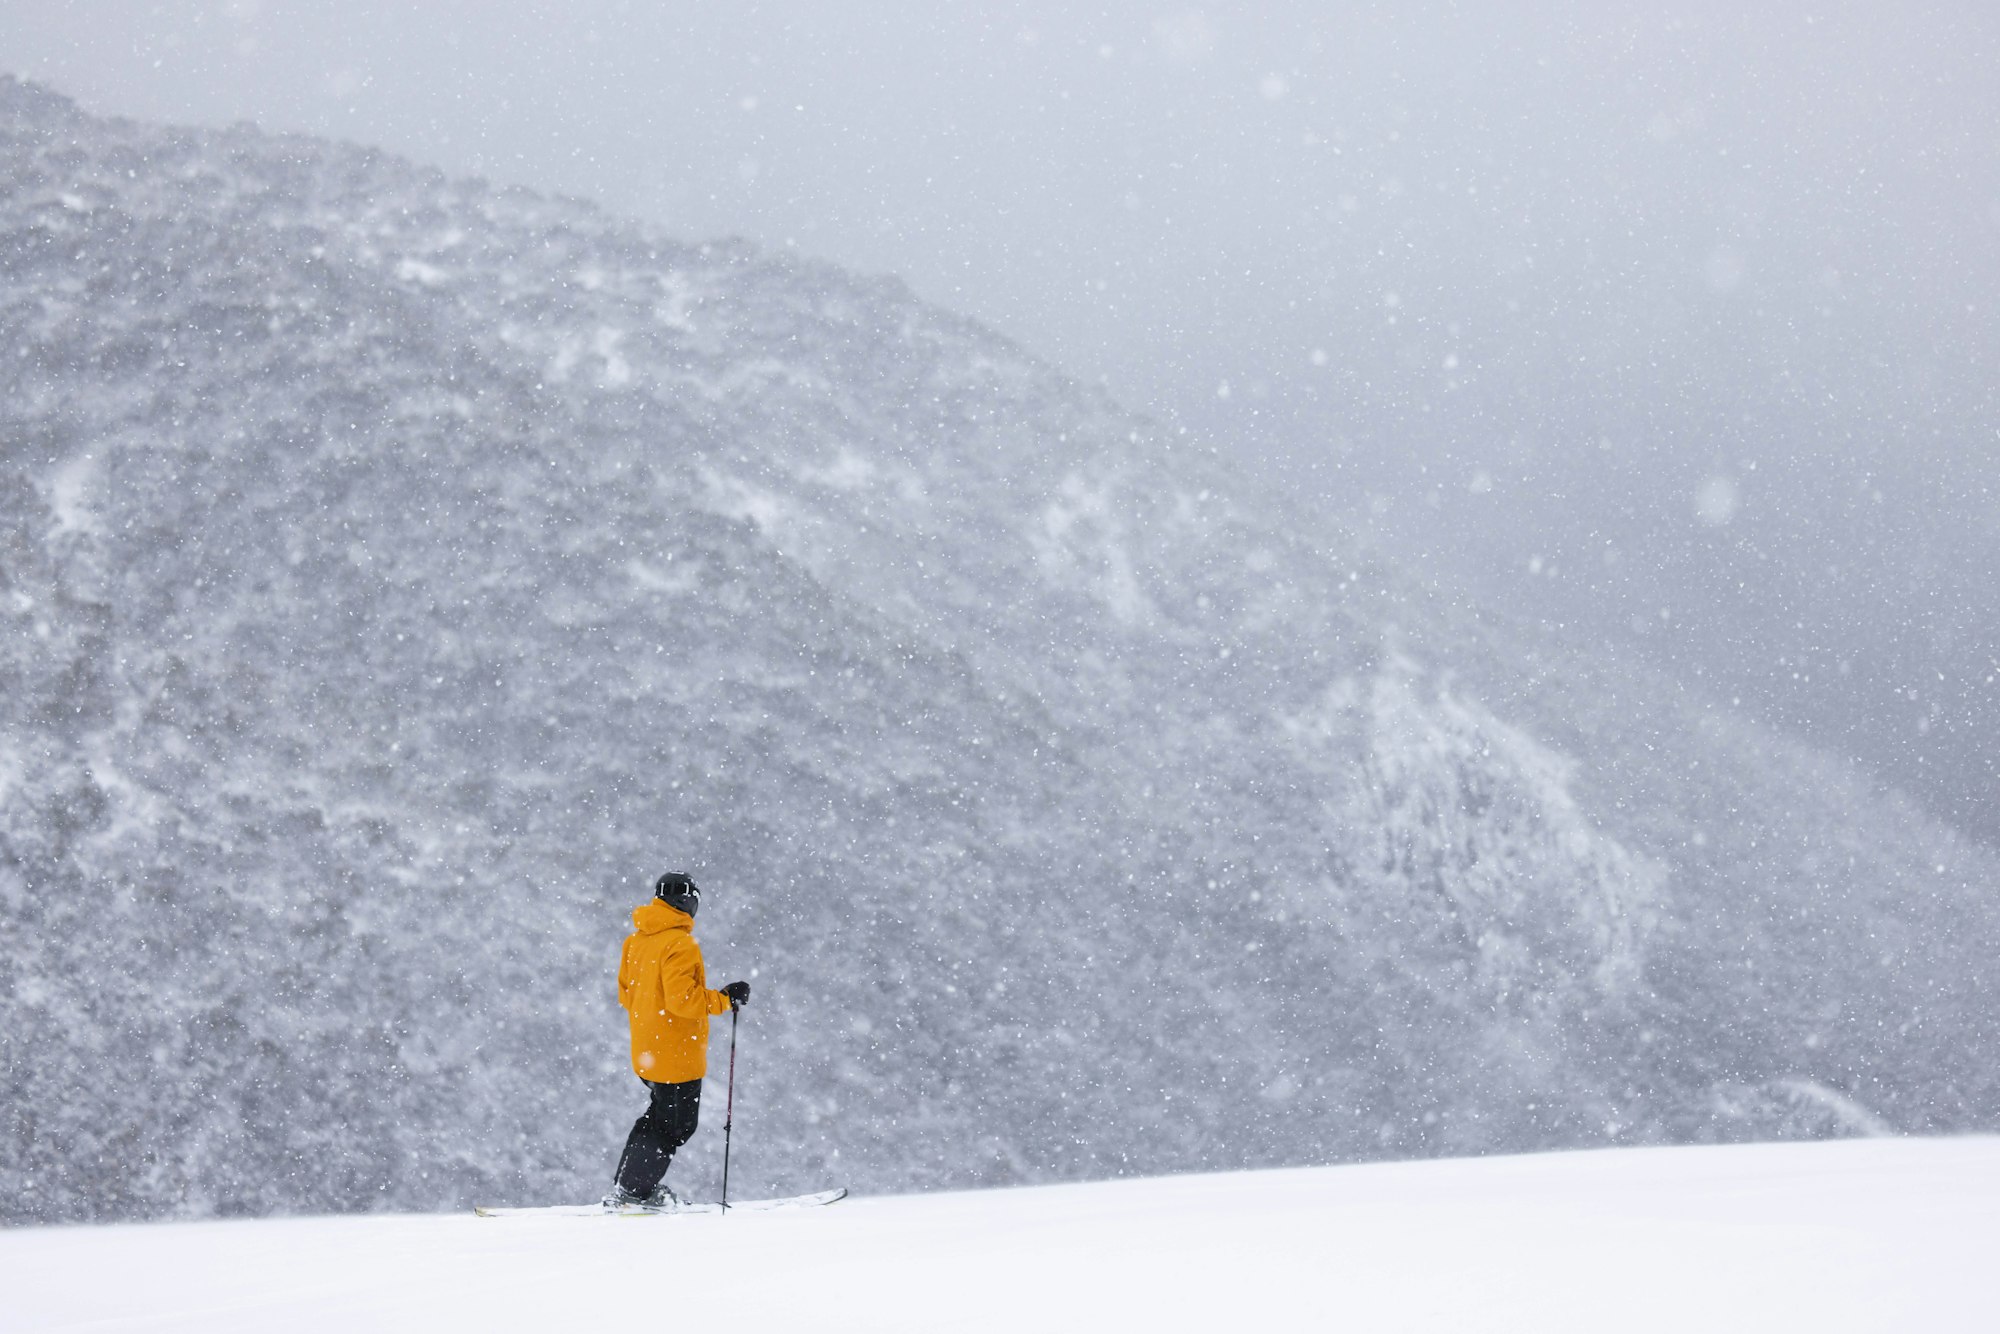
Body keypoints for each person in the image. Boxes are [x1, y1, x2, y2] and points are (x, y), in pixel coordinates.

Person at [603, 872, 751, 1211]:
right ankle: (633, 1194)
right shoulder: (680, 943)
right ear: (688, 901)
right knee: (676, 1125)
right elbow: (683, 1000)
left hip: (647, 1050)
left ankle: (628, 1188)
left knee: (658, 1118)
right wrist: (724, 999)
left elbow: (626, 994)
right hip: (675, 1054)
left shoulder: (636, 941)